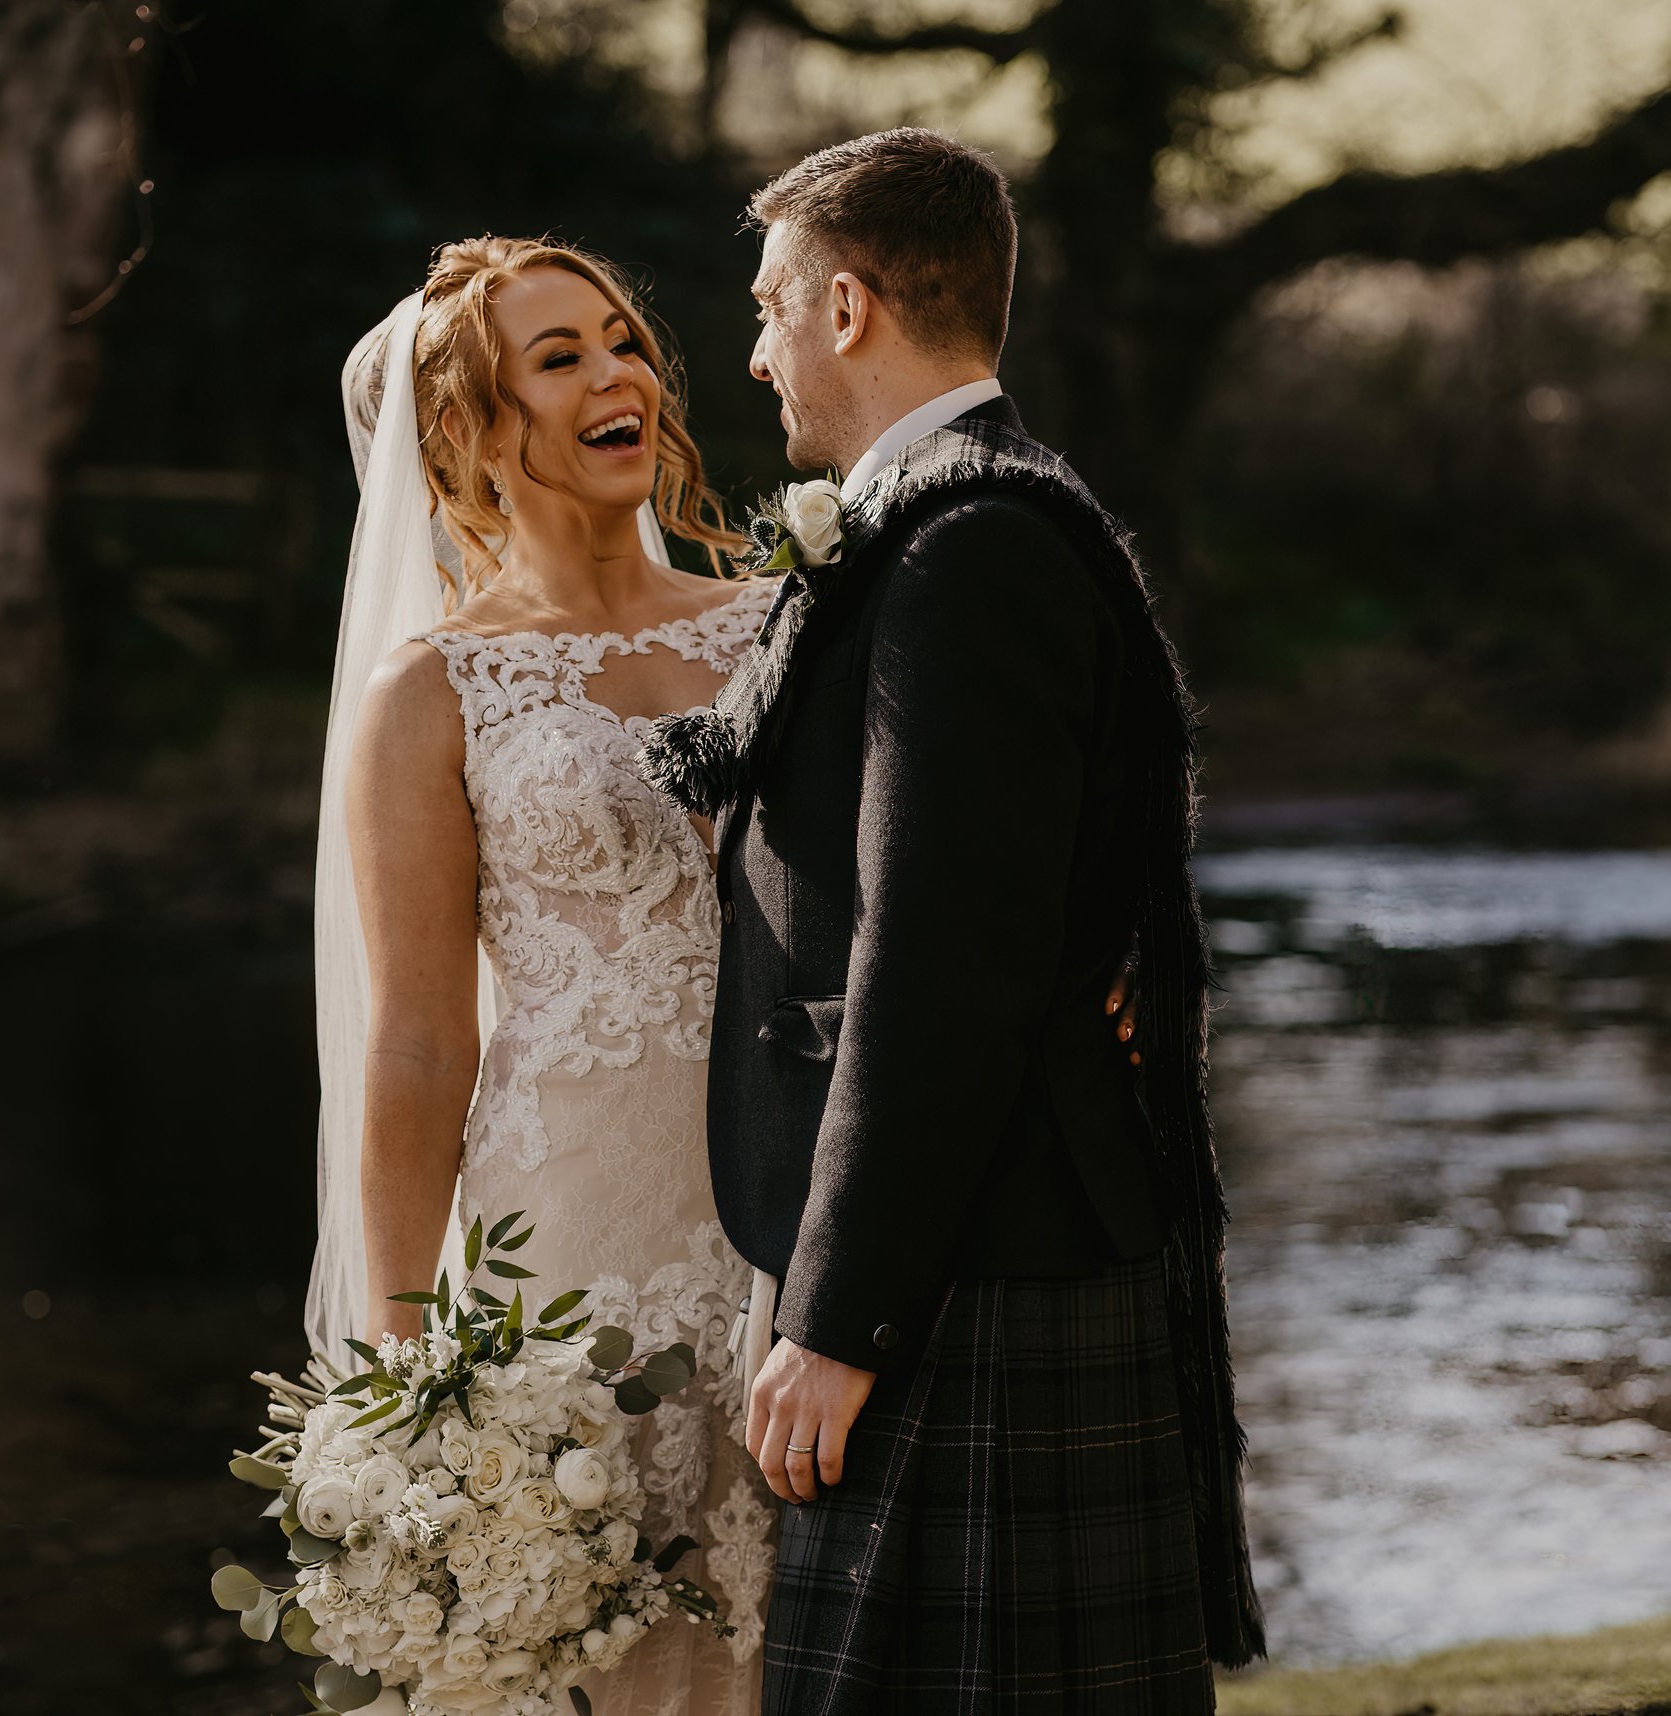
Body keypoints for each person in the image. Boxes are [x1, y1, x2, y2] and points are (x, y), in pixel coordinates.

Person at [642, 127, 1265, 1714]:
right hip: (976, 1244)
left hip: (978, 1263)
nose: (758, 347)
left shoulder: (967, 548)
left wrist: (842, 1316)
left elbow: (937, 967)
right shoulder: (948, 518)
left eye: (775, 303)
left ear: (850, 309)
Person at [305, 235, 779, 1715]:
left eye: (623, 340)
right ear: (465, 429)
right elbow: (418, 1048)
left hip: (788, 1234)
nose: (618, 374)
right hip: (568, 1255)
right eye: (558, 356)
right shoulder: (433, 691)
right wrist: (401, 1367)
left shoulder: (779, 625)